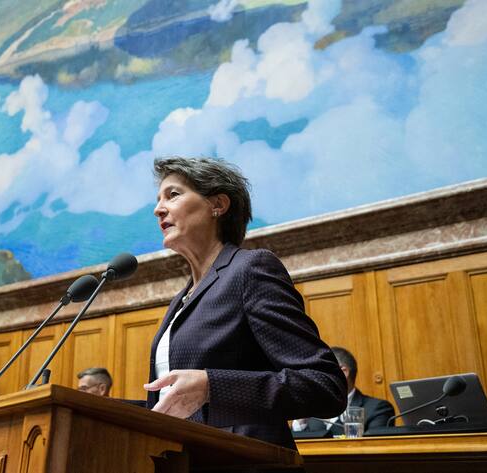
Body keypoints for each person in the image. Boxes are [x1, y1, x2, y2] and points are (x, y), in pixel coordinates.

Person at [144, 156, 347, 450]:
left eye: (173, 195)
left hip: (243, 459)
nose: (158, 209)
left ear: (218, 205)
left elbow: (324, 385)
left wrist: (213, 386)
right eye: (158, 199)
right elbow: (172, 404)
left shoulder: (250, 270)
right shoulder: (181, 299)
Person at [292, 346, 394, 434]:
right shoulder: (312, 412)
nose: (315, 378)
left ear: (343, 372)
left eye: (321, 373)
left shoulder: (378, 409)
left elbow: (375, 448)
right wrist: (301, 422)